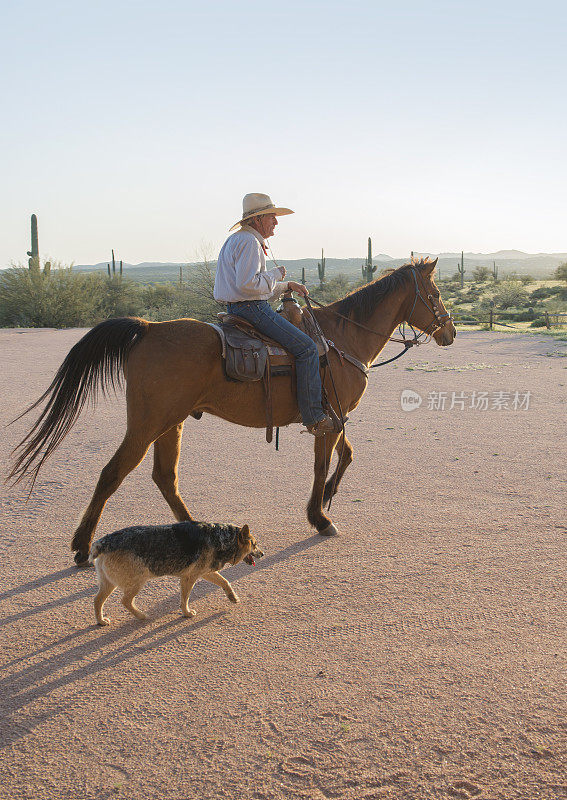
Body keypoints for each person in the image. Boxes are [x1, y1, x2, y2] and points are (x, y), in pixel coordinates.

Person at [213, 193, 337, 435]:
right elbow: (249, 286)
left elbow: (251, 287)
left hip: (240, 306)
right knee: (307, 349)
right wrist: (277, 275)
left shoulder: (236, 240)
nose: (276, 222)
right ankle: (313, 416)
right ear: (257, 219)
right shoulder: (250, 242)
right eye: (272, 217)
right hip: (252, 310)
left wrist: (286, 286)